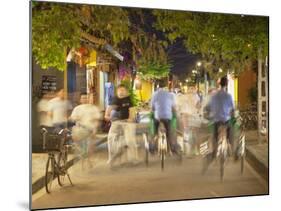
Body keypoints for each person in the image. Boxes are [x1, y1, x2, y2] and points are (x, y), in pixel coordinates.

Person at [104, 84, 137, 165]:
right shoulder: (114, 100)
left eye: (123, 90)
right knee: (110, 138)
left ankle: (133, 158)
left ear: (126, 92)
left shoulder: (128, 100)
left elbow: (132, 110)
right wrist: (106, 115)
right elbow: (109, 108)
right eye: (119, 90)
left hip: (127, 121)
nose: (121, 92)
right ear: (117, 91)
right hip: (116, 122)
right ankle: (111, 157)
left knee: (130, 140)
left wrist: (131, 118)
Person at [205, 76, 235, 161]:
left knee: (214, 137)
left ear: (219, 83)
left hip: (216, 121)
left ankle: (214, 153)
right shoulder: (228, 96)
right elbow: (232, 109)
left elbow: (208, 107)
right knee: (231, 134)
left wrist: (208, 115)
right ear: (226, 84)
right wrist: (232, 118)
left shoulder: (214, 96)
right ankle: (231, 150)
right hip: (226, 120)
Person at [70, 93, 101, 169]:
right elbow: (72, 118)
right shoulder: (77, 108)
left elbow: (97, 120)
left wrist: (95, 129)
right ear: (80, 100)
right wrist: (74, 118)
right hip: (80, 130)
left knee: (90, 148)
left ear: (88, 99)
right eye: (83, 98)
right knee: (81, 148)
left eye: (86, 98)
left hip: (90, 130)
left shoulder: (93, 108)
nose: (85, 99)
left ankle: (89, 161)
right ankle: (82, 163)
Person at [151, 81, 181, 155]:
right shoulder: (171, 95)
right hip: (167, 116)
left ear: (158, 87)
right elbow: (173, 106)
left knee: (155, 131)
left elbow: (152, 106)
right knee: (170, 132)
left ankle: (153, 146)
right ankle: (172, 147)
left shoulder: (155, 94)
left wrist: (154, 110)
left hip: (157, 116)